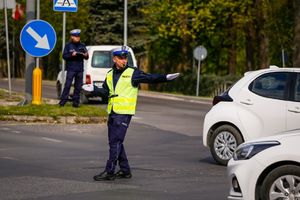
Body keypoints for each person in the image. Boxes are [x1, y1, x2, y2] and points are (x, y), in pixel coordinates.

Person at [82, 46, 180, 181]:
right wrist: (93, 89)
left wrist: (165, 77)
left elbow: (150, 78)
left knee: (115, 141)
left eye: (125, 58)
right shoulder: (110, 74)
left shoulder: (132, 73)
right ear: (114, 59)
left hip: (124, 113)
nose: (124, 60)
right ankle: (125, 170)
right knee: (115, 142)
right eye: (121, 58)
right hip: (112, 111)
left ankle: (109, 171)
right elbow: (106, 92)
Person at [59, 29, 89, 108]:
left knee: (78, 87)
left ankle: (75, 103)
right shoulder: (68, 45)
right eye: (76, 36)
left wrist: (86, 55)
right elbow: (64, 56)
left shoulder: (82, 45)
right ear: (72, 37)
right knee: (68, 85)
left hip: (79, 69)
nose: (77, 38)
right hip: (71, 69)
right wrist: (71, 55)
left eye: (78, 36)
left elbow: (87, 57)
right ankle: (62, 102)